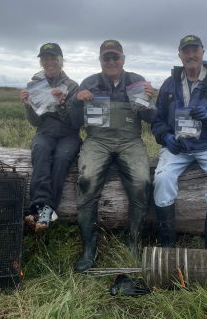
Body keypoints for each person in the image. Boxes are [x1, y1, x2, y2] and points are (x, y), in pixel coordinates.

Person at [69, 39, 156, 272]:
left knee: (143, 181)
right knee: (86, 181)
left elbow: (151, 118)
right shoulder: (89, 82)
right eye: (106, 58)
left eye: (115, 57)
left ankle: (134, 241)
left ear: (123, 59)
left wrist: (149, 100)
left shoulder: (137, 81)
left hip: (130, 141)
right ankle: (90, 248)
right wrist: (77, 102)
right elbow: (74, 121)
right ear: (100, 60)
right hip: (97, 140)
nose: (111, 61)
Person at [152, 35, 207, 250]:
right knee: (162, 180)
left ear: (203, 52)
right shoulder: (170, 84)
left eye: (195, 50)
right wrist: (166, 137)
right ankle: (168, 248)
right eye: (186, 51)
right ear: (179, 55)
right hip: (178, 147)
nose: (190, 55)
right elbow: (157, 119)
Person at [20, 42, 81, 232]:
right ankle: (40, 207)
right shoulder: (34, 85)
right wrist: (28, 106)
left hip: (69, 135)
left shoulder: (72, 86)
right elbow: (35, 122)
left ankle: (44, 210)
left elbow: (75, 122)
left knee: (62, 158)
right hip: (44, 132)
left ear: (61, 61)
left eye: (53, 58)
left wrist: (62, 104)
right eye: (45, 58)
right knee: (40, 150)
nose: (49, 62)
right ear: (41, 62)